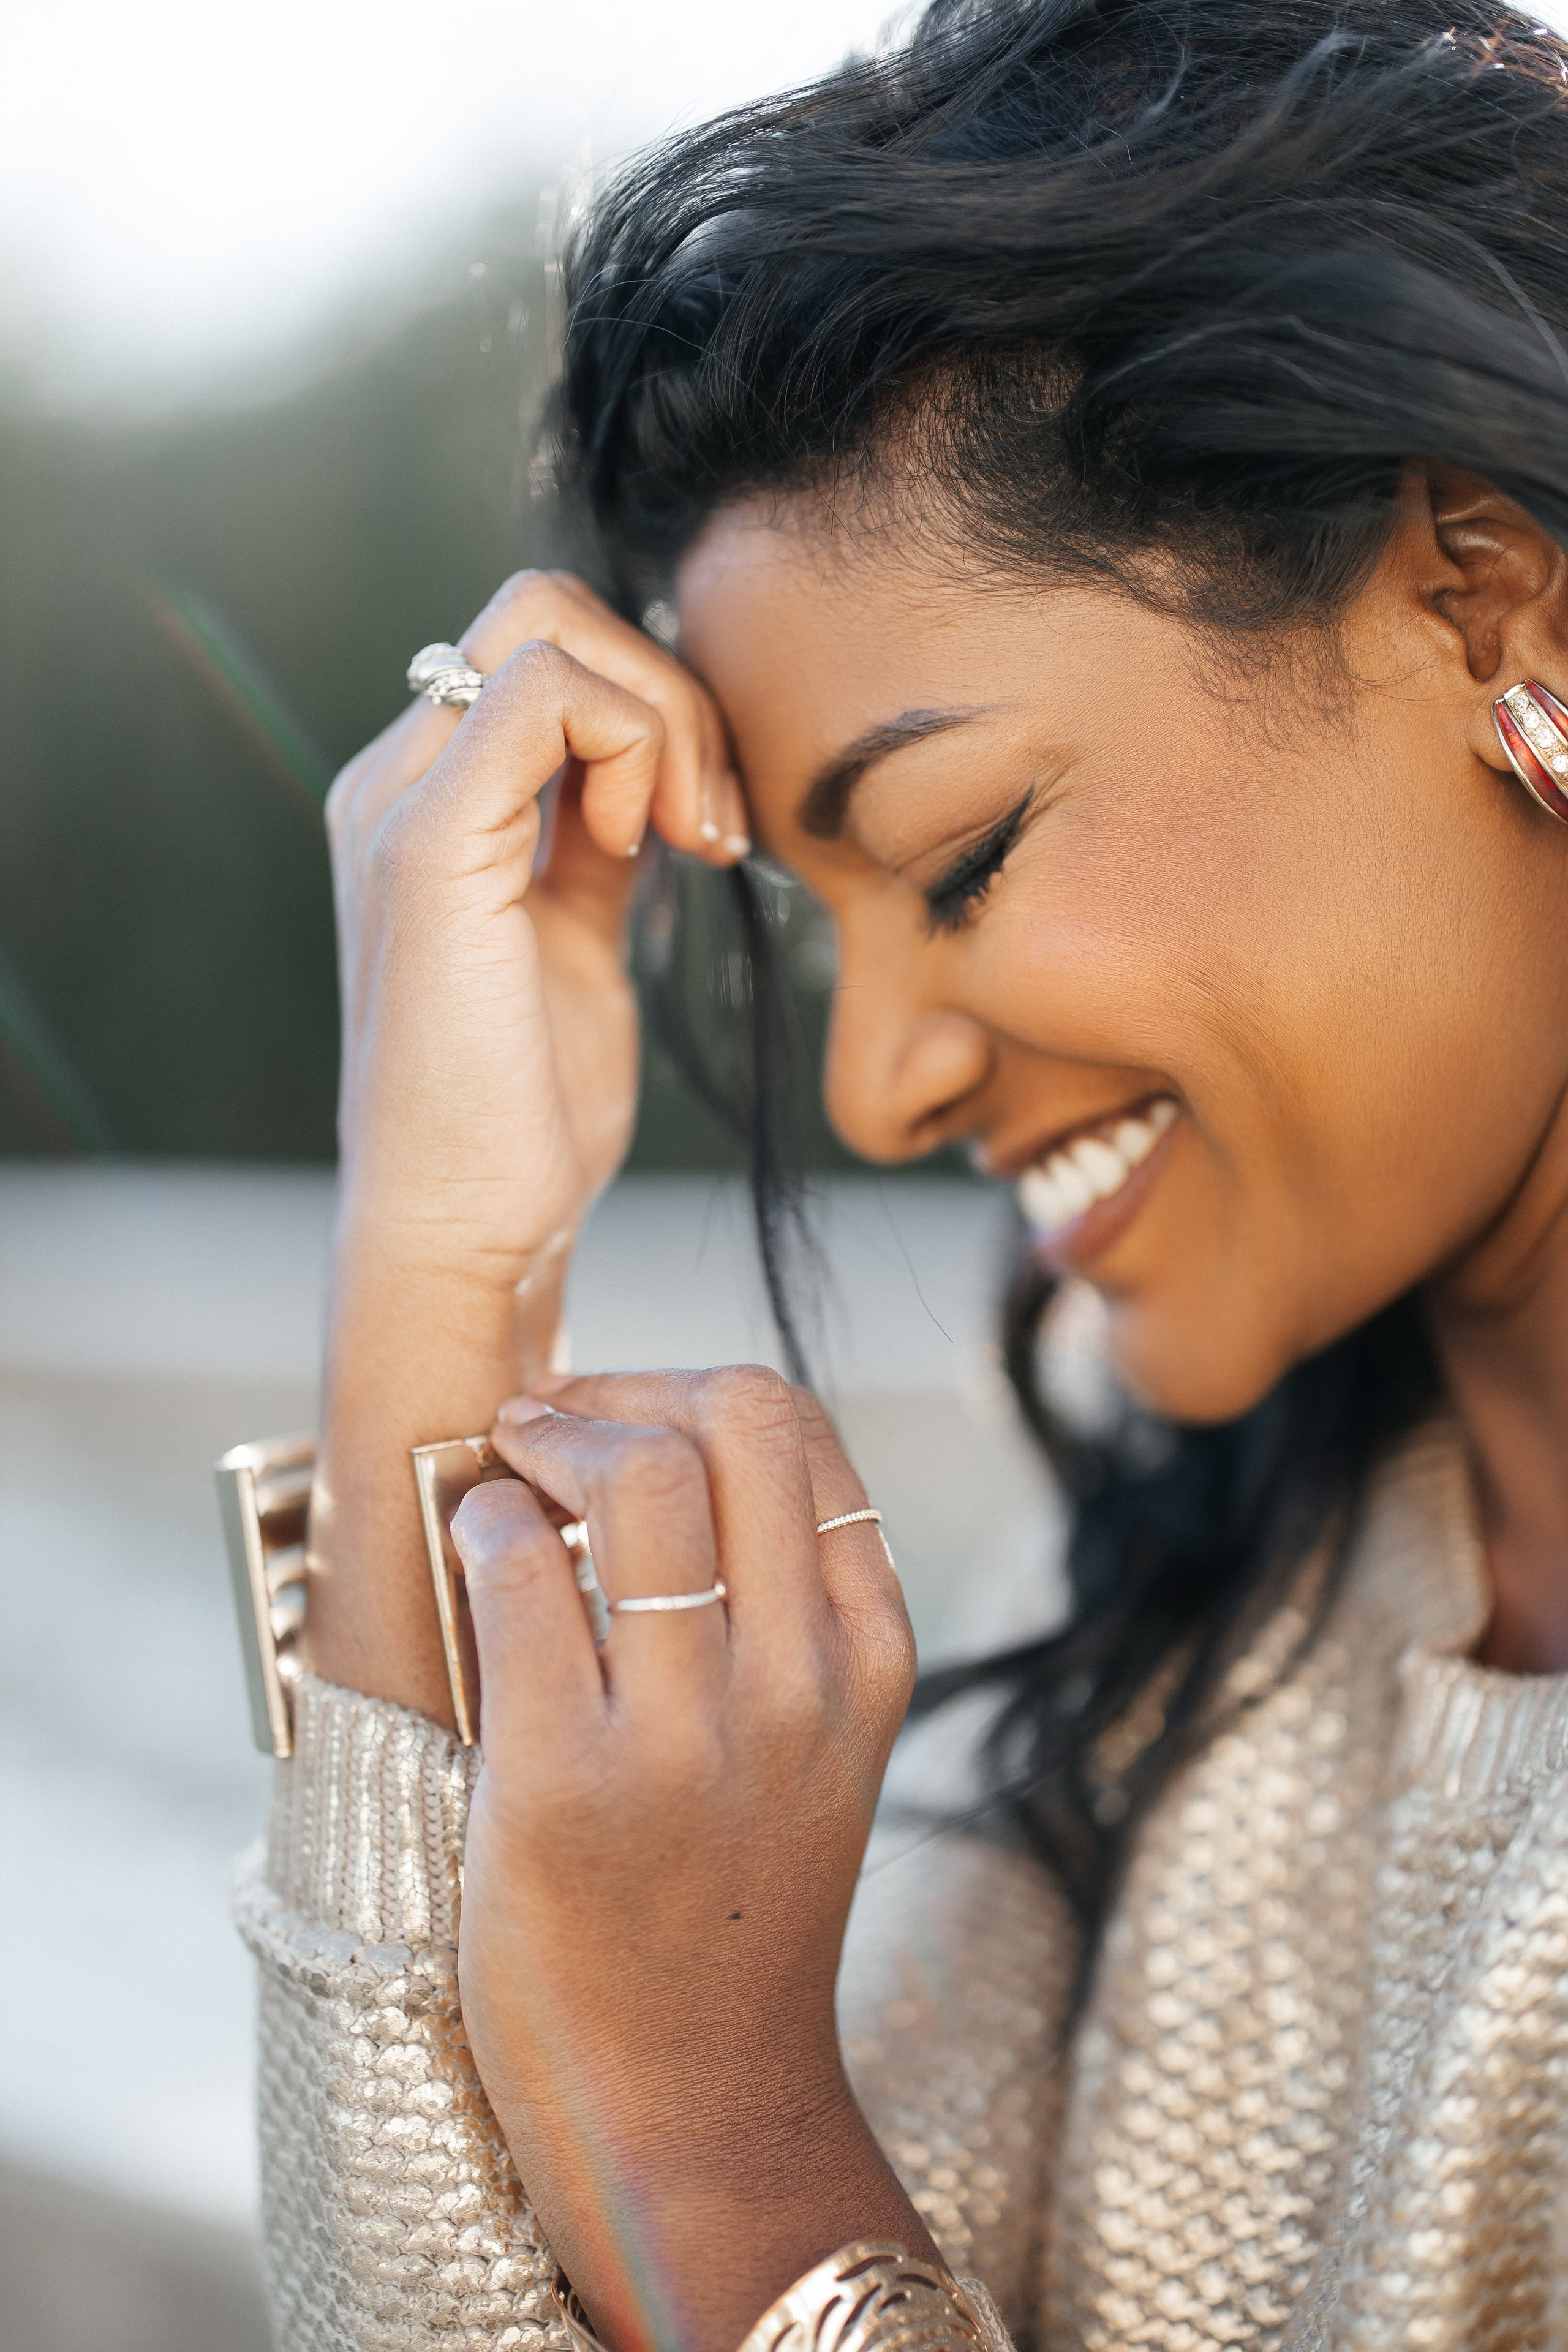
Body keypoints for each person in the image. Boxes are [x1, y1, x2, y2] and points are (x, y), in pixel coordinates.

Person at [234, 1, 1568, 2345]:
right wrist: (435, 1280)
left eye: (957, 855)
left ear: (1487, 595)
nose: (873, 1091)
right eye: (810, 928)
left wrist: (716, 2151)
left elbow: (678, 2187)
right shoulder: (1203, 1597)